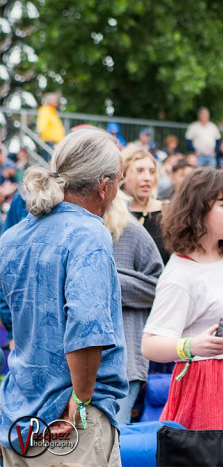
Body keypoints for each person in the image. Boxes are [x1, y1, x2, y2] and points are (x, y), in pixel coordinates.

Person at [0, 128, 126, 466]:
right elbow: (86, 327)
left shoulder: (12, 236)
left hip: (17, 414)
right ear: (104, 185)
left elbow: (9, 313)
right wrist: (81, 402)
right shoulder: (89, 233)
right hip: (69, 424)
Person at [141, 167, 223, 430]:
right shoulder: (180, 275)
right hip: (209, 383)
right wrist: (191, 346)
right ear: (198, 210)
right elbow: (150, 345)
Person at [104, 190, 163, 425]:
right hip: (75, 359)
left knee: (114, 439)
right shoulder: (70, 228)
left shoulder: (130, 229)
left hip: (124, 359)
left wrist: (109, 281)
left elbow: (159, 286)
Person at [121, 144, 170, 263]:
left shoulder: (166, 211)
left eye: (152, 172)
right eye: (139, 171)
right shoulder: (110, 213)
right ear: (122, 174)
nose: (147, 178)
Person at [36, 91, 65, 158]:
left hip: (55, 143)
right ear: (49, 101)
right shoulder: (45, 111)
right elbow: (42, 126)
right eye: (55, 100)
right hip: (50, 142)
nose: (56, 102)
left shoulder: (53, 111)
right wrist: (48, 138)